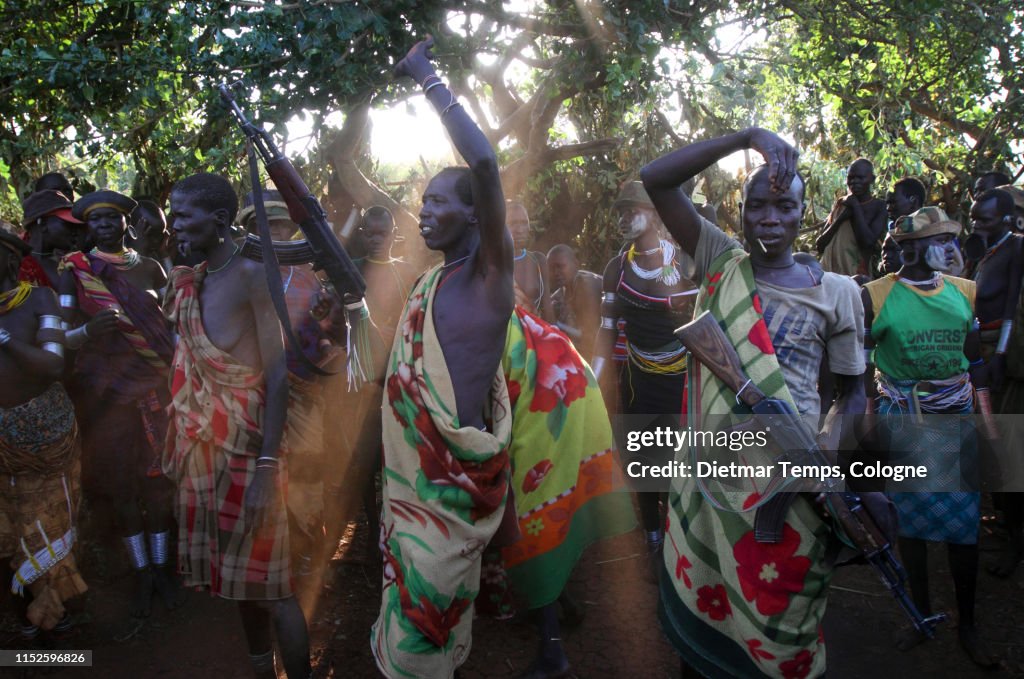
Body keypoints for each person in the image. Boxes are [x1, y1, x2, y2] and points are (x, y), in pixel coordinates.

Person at [642, 128, 868, 678]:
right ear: (740, 215)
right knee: (705, 619)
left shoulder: (837, 292)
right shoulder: (722, 262)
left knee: (782, 626)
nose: (770, 218)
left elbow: (854, 392)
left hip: (793, 485)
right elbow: (657, 178)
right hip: (715, 481)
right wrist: (746, 137)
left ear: (803, 211)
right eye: (757, 206)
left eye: (784, 206)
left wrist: (828, 461)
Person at [370, 37, 516, 679]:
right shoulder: (429, 285)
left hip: (459, 483)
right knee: (417, 614)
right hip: (414, 490)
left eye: (438, 203)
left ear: (474, 216)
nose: (424, 214)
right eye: (423, 202)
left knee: (430, 616)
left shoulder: (490, 277)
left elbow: (484, 163)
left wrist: (429, 78)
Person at [165, 173, 310, 679]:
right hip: (210, 455)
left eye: (184, 215)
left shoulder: (251, 275)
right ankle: (259, 671)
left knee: (275, 591)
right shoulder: (195, 278)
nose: (174, 224)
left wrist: (267, 470)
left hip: (252, 454)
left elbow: (276, 374)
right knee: (239, 585)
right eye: (173, 213)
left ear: (221, 221)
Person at [864, 207, 996, 667]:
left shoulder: (964, 291)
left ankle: (969, 625)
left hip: (955, 421)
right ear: (908, 248)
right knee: (911, 526)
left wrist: (988, 421)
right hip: (902, 421)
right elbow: (860, 363)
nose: (950, 248)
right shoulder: (877, 296)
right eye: (938, 238)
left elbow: (973, 359)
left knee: (964, 530)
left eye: (950, 238)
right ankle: (920, 615)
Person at [58, 190, 181, 619]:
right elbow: (59, 336)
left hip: (153, 392)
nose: (104, 226)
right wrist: (89, 331)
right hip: (107, 399)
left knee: (159, 485)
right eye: (96, 221)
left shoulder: (150, 268)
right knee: (124, 488)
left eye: (112, 218)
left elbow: (173, 324)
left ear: (127, 224)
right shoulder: (74, 272)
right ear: (88, 229)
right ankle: (142, 573)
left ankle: (164, 568)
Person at [238, 188, 346, 588]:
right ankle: (272, 555)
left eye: (283, 222)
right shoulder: (241, 274)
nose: (277, 231)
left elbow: (327, 337)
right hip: (252, 395)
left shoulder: (308, 277)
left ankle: (308, 556)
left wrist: (329, 339)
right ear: (251, 230)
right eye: (266, 224)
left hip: (303, 395)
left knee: (306, 475)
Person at [591, 180, 698, 576]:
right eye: (618, 211)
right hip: (638, 379)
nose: (621, 218)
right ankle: (653, 540)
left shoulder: (685, 262)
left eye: (629, 210)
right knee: (642, 463)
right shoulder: (617, 268)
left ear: (654, 214)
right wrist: (592, 377)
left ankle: (680, 542)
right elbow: (607, 331)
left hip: (683, 380)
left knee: (679, 463)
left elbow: (706, 322)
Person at [0, 222, 87, 642]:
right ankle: (25, 619)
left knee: (48, 526)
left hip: (46, 436)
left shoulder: (39, 299)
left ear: (12, 260)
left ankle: (56, 614)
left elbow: (53, 365)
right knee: (9, 532)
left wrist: (4, 340)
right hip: (2, 444)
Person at [966, 189, 1024, 580]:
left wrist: (1001, 356)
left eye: (984, 219)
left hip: (1001, 361)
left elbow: (1010, 308)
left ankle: (1015, 547)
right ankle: (1006, 528)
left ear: (1006, 219)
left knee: (1010, 453)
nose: (977, 225)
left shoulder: (1016, 249)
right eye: (974, 218)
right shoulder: (985, 252)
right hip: (982, 357)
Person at [816, 158, 888, 276]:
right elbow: (820, 245)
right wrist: (840, 219)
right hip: (828, 275)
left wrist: (855, 207)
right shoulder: (841, 204)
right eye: (851, 178)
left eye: (860, 178)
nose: (854, 182)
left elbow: (868, 242)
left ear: (872, 179)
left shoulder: (879, 206)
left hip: (856, 277)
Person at [19, 190, 86, 288]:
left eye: (76, 226)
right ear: (43, 225)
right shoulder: (14, 265)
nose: (75, 231)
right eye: (68, 225)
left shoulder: (68, 263)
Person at [547, 243, 602, 361]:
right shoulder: (563, 290)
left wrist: (556, 325)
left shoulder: (586, 286)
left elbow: (591, 337)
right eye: (551, 268)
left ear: (576, 264)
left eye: (560, 266)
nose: (556, 272)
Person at [508, 200, 556, 321]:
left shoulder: (538, 261)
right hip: (501, 336)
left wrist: (553, 334)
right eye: (512, 223)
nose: (519, 230)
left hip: (533, 334)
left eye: (524, 223)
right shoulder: (491, 262)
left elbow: (547, 306)